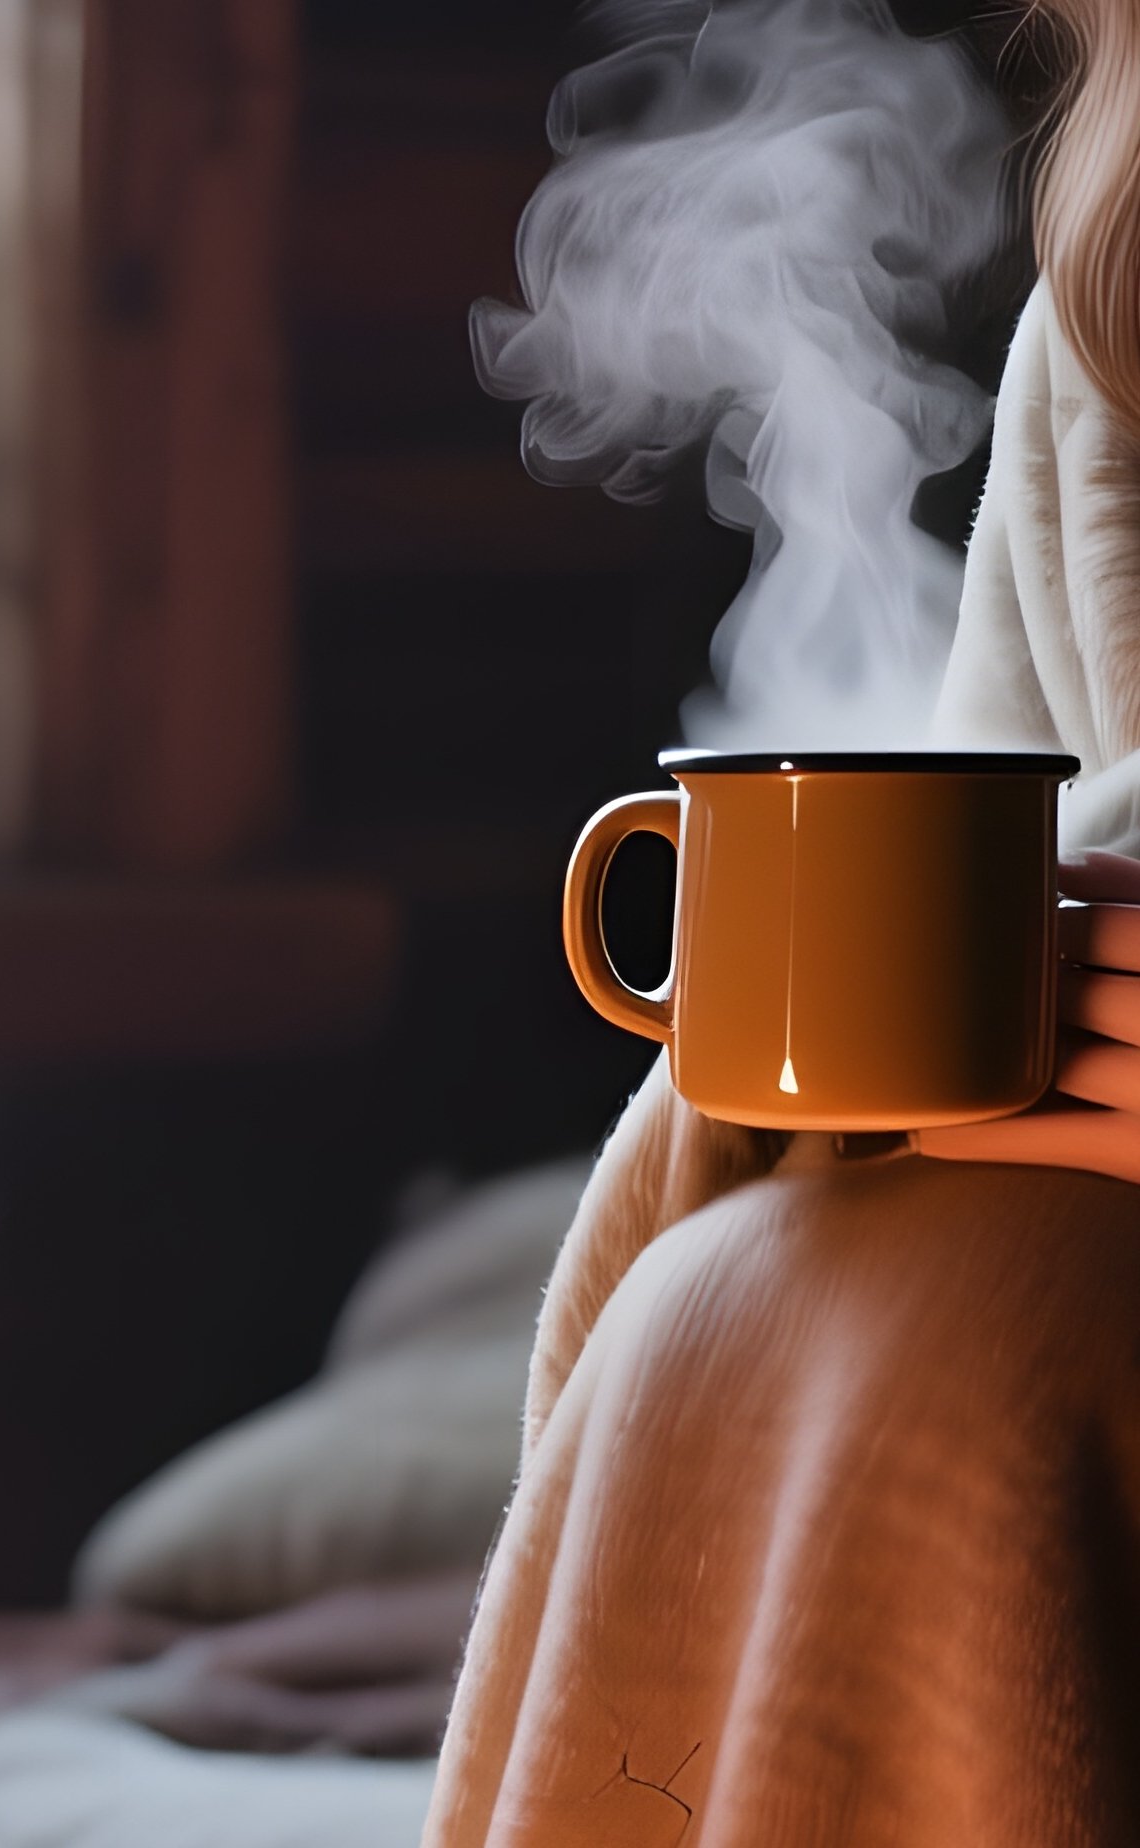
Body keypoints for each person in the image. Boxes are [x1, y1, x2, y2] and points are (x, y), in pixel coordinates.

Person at [423, 6, 1140, 1843]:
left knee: (963, 1389)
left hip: (1024, 1394)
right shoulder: (1105, 304)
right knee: (713, 1311)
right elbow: (1020, 781)